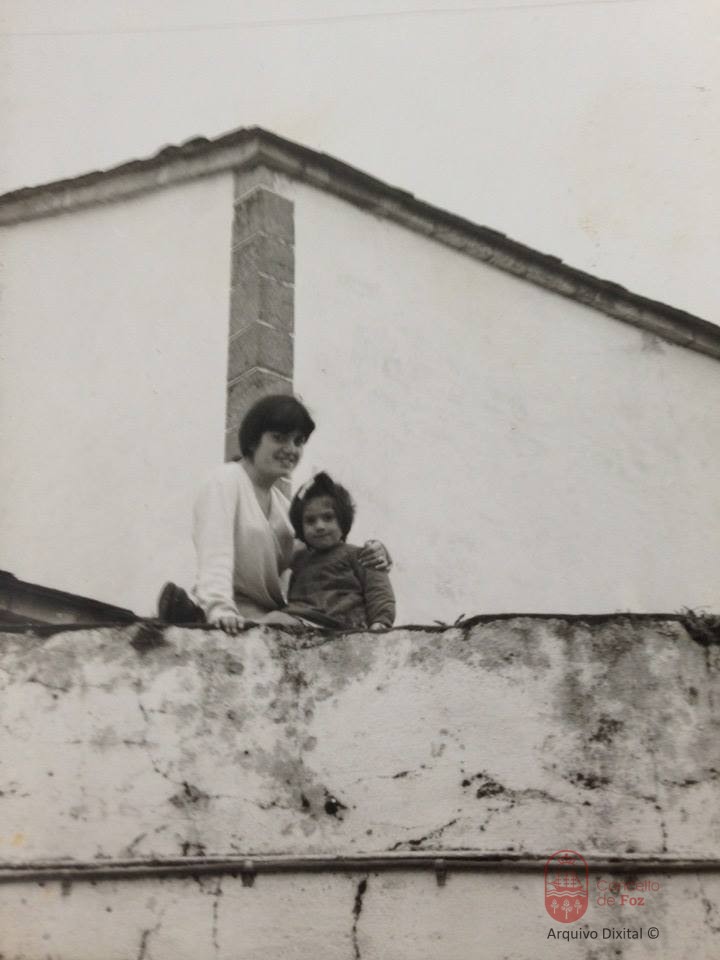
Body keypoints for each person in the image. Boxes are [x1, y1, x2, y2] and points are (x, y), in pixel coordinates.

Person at [158, 394, 389, 633]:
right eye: (279, 438)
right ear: (253, 441)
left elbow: (321, 553)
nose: (290, 449)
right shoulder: (226, 481)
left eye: (298, 441)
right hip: (231, 615)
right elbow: (215, 553)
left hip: (274, 617)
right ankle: (194, 615)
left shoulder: (284, 507)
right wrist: (219, 609)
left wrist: (372, 554)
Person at [284, 472, 395, 631]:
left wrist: (381, 621)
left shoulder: (360, 554)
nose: (319, 526)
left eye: (328, 518)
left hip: (341, 624)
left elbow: (378, 590)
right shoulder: (299, 560)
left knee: (273, 620)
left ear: (342, 520)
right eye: (310, 520)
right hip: (303, 623)